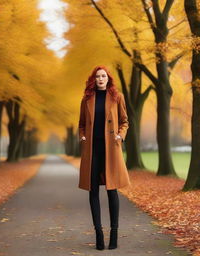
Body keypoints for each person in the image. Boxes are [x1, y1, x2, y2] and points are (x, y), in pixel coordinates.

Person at [78, 65, 131, 250]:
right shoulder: (87, 99)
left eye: (104, 76)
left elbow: (125, 121)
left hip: (111, 150)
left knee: (112, 190)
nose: (101, 79)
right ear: (94, 79)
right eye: (98, 76)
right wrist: (83, 136)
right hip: (93, 151)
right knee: (93, 191)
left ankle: (114, 234)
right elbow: (81, 124)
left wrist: (120, 135)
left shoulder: (117, 97)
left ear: (108, 79)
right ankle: (99, 234)